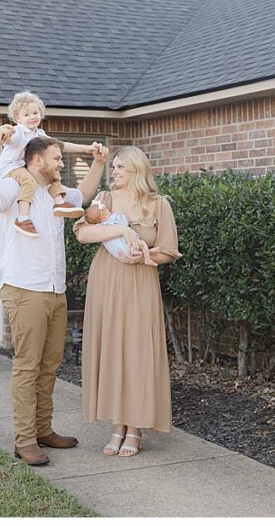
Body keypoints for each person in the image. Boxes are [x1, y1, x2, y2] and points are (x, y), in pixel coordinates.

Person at [0, 125, 109, 466]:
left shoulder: (56, 193)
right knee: (28, 366)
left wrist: (99, 163)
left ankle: (44, 429)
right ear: (36, 160)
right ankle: (25, 440)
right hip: (24, 289)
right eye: (57, 159)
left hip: (55, 290)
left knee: (50, 365)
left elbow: (85, 195)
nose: (61, 163)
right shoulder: (14, 187)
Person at [73, 147, 182, 457]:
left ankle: (134, 429)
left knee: (137, 351)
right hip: (106, 280)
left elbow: (168, 250)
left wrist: (145, 258)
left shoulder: (158, 204)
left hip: (139, 282)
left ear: (137, 169)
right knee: (111, 349)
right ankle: (117, 426)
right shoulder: (104, 199)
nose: (115, 171)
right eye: (114, 166)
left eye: (121, 166)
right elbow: (82, 233)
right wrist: (121, 229)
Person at [1, 91, 91, 236]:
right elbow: (11, 140)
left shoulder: (40, 134)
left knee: (51, 174)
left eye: (35, 113)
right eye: (26, 115)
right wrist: (6, 137)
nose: (32, 117)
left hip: (25, 167)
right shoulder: (18, 131)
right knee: (29, 181)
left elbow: (60, 146)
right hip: (11, 167)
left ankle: (59, 202)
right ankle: (22, 218)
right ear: (18, 118)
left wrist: (86, 149)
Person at [82, 200, 160, 266]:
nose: (110, 211)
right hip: (127, 247)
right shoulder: (112, 220)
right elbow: (124, 222)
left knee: (138, 250)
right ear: (104, 218)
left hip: (121, 254)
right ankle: (147, 259)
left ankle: (147, 253)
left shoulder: (100, 229)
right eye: (108, 211)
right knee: (142, 244)